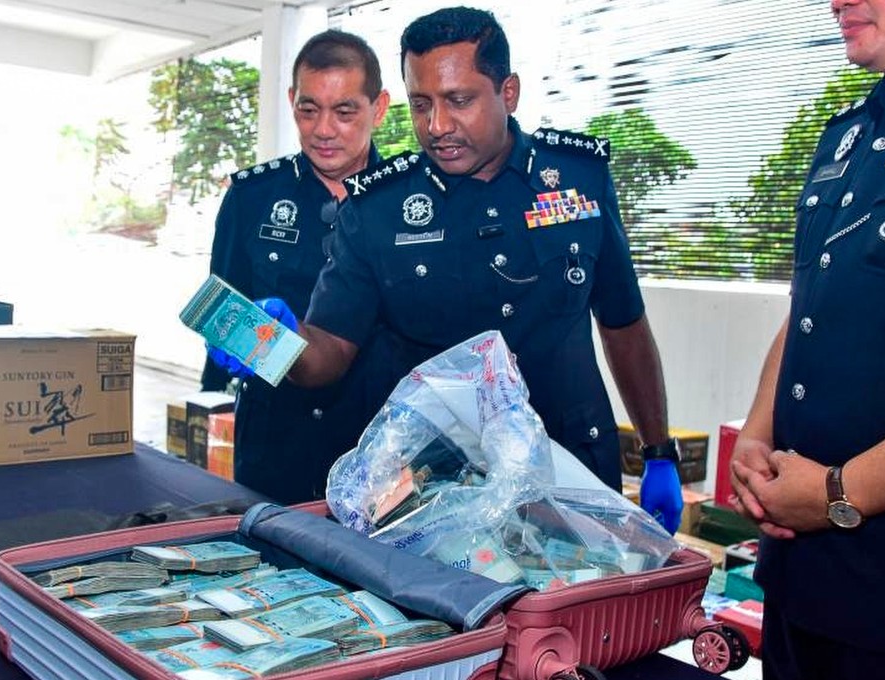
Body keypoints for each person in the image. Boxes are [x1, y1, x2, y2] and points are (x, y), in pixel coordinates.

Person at [281, 6, 684, 533]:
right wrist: (274, 344)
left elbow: (624, 324)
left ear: (508, 92)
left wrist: (658, 452)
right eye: (420, 104)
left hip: (573, 476)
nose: (436, 126)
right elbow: (329, 353)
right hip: (438, 494)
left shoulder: (578, 180)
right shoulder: (378, 209)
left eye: (459, 100)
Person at [729, 1, 885, 677]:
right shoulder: (852, 131)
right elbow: (814, 303)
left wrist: (841, 491)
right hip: (805, 579)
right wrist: (755, 434)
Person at [201, 29, 394, 505]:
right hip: (273, 447)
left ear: (380, 107)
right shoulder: (252, 197)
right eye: (309, 110)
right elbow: (224, 305)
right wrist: (226, 335)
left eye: (345, 111)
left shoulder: (412, 202)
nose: (323, 129)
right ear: (292, 100)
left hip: (379, 454)